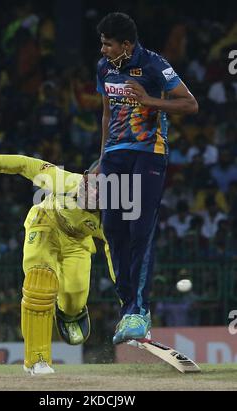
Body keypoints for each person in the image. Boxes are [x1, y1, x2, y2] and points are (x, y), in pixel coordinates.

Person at [0, 150, 113, 375]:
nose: (91, 192)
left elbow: (118, 256)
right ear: (83, 178)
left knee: (74, 298)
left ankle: (70, 312)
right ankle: (36, 360)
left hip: (76, 244)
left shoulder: (110, 220)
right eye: (90, 184)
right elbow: (24, 164)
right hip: (45, 225)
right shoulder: (64, 180)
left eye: (100, 192)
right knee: (39, 284)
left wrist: (130, 303)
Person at [96, 12, 198, 344]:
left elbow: (190, 103)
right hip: (114, 156)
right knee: (112, 229)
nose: (103, 50)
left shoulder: (154, 65)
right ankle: (129, 310)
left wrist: (150, 100)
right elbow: (107, 113)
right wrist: (101, 160)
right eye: (101, 43)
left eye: (108, 44)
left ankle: (139, 310)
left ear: (127, 44)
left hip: (148, 152)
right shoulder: (104, 70)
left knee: (140, 228)